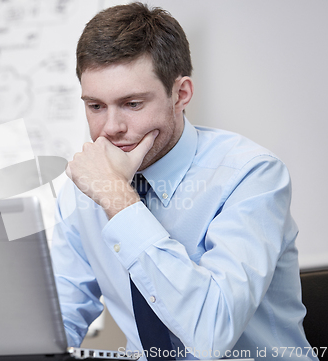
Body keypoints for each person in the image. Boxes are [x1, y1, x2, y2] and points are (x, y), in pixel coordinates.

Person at [50, 2, 315, 361]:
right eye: (96, 106)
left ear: (181, 93)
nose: (111, 128)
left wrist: (116, 197)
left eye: (131, 103)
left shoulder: (253, 175)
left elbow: (211, 333)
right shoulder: (83, 186)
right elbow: (58, 320)